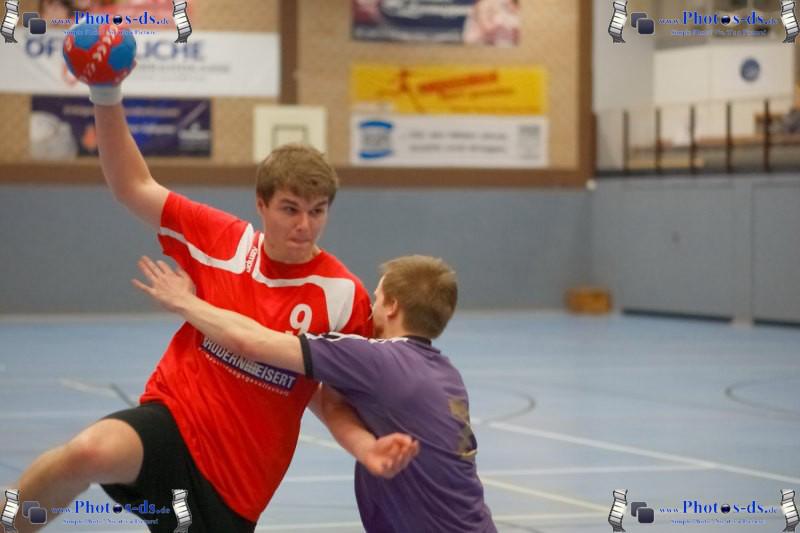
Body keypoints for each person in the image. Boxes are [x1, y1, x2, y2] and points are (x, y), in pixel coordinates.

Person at [2, 23, 417, 533]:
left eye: (317, 211)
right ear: (261, 204)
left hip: (238, 482)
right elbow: (133, 185)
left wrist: (366, 447)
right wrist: (105, 93)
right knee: (88, 451)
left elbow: (331, 399)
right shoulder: (220, 240)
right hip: (174, 423)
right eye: (290, 208)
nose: (304, 225)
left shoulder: (341, 296)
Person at [134, 254, 497, 533]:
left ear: (391, 307)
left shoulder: (374, 359)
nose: (369, 308)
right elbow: (317, 390)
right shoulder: (447, 374)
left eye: (375, 298)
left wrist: (184, 302)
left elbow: (252, 342)